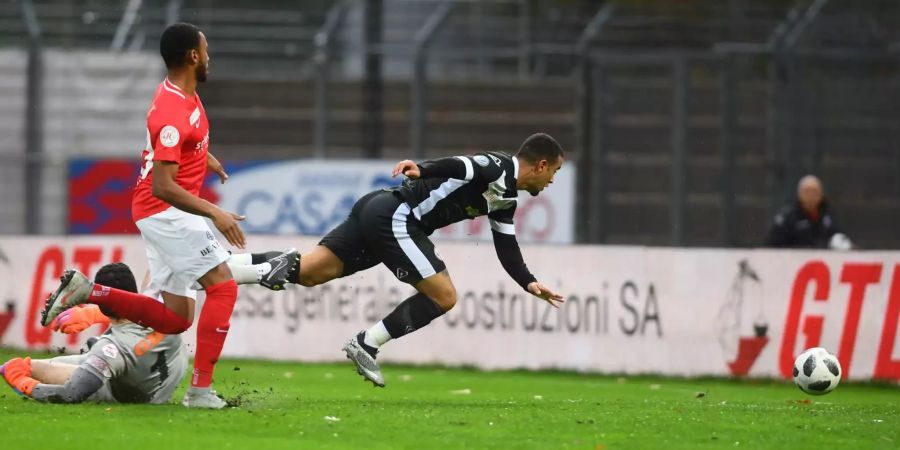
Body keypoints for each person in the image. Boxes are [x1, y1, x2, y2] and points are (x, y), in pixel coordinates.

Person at [39, 23, 297, 409]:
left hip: (161, 211)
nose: (210, 56)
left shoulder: (181, 94)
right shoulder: (173, 111)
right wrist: (216, 212)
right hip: (166, 210)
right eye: (206, 50)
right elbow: (163, 184)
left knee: (175, 320)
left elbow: (172, 145)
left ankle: (89, 291)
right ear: (193, 56)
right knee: (222, 287)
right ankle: (199, 393)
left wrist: (202, 157)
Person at [277, 133, 565, 387]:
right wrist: (423, 168)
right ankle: (367, 342)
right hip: (398, 215)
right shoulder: (497, 166)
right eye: (554, 170)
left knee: (308, 271)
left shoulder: (506, 200)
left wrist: (528, 282)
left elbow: (506, 246)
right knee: (444, 295)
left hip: (380, 207)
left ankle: (242, 267)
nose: (552, 179)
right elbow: (460, 165)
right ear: (541, 165)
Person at [1, 263, 188, 404]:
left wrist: (24, 383)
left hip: (123, 392)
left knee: (17, 368)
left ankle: (13, 370)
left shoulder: (111, 348)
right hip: (166, 379)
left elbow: (70, 393)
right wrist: (91, 314)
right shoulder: (168, 311)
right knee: (28, 365)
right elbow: (141, 298)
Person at [765, 175, 853, 250]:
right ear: (799, 194)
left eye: (814, 192)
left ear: (821, 194)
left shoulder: (828, 215)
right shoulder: (788, 216)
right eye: (807, 192)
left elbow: (839, 236)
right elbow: (773, 244)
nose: (811, 196)